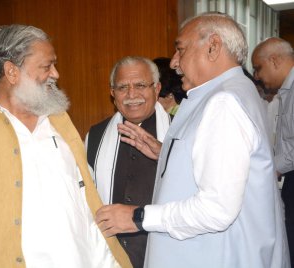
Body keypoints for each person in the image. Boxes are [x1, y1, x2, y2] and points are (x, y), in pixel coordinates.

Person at [0, 24, 132, 268]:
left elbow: (82, 198)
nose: (56, 74)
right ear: (12, 72)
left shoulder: (59, 121)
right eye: (46, 66)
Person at [96, 13, 290, 268]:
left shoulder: (224, 103)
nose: (174, 63)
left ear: (213, 47)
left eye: (181, 50)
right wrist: (168, 153)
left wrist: (138, 217)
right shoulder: (233, 92)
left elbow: (216, 209)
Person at [85, 56, 170, 267]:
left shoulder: (178, 134)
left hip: (164, 252)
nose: (132, 95)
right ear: (113, 94)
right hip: (110, 255)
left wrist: (168, 154)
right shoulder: (95, 136)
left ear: (157, 88)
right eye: (123, 87)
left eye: (141, 85)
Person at [252, 37, 294, 265]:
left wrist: (270, 169)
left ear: (275, 60)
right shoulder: (286, 90)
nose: (257, 76)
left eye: (258, 68)